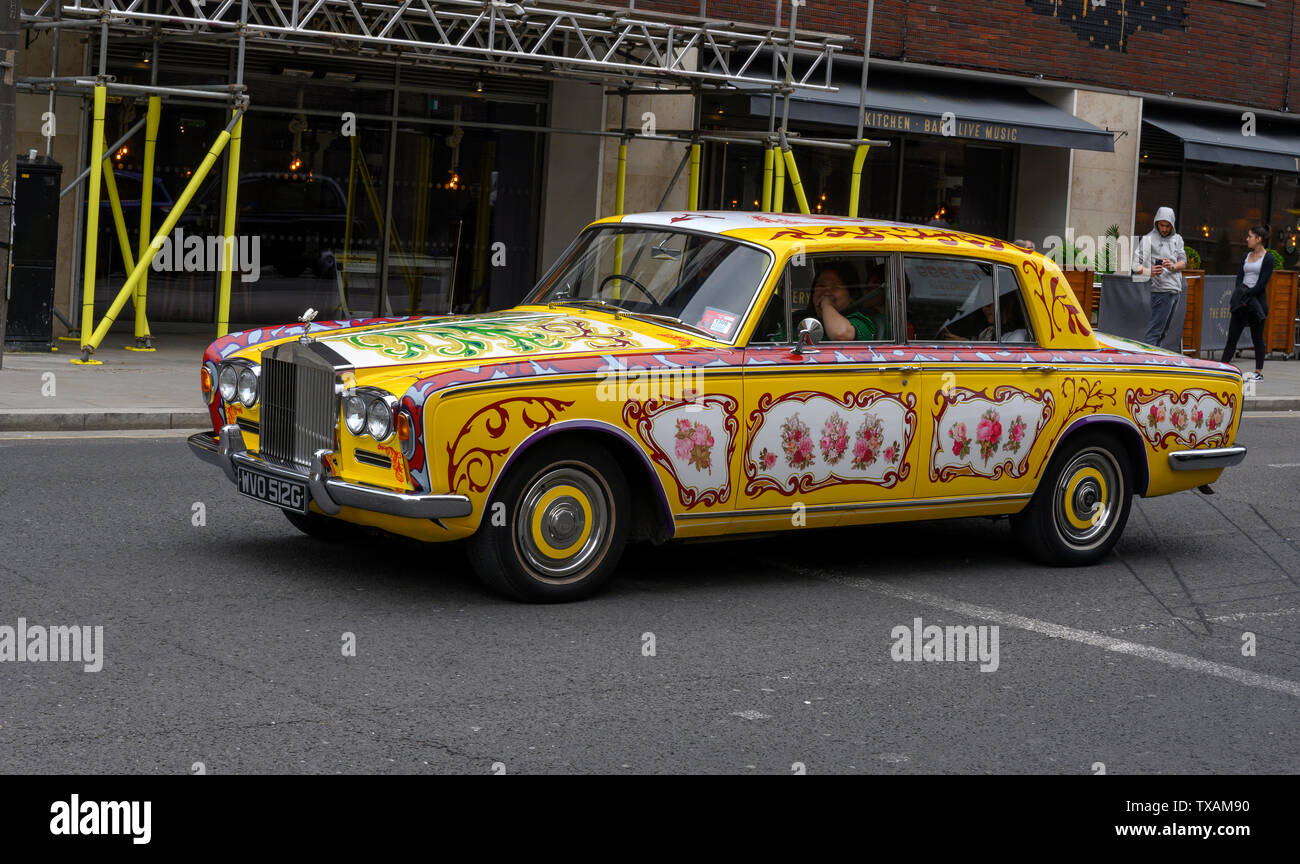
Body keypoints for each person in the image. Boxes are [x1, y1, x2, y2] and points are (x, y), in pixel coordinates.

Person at [1220, 225, 1274, 382]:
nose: (1247, 239)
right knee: (1233, 335)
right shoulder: (1246, 256)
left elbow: (1262, 284)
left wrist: (1247, 294)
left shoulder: (1268, 258)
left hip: (1256, 302)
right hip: (1242, 301)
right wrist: (1240, 292)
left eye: (1250, 236)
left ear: (1259, 239)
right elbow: (1239, 277)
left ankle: (1258, 372)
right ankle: (1223, 367)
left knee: (1257, 337)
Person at [1132, 206, 1187, 346]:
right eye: (1162, 225)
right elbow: (1135, 265)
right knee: (1155, 331)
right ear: (1156, 223)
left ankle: (1153, 357)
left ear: (1172, 224)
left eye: (1167, 226)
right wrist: (1149, 271)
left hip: (1176, 290)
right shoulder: (1148, 239)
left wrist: (1172, 266)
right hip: (1160, 291)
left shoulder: (1178, 239)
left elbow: (1183, 262)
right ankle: (1146, 358)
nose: (1164, 229)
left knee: (1163, 332)